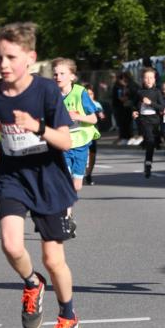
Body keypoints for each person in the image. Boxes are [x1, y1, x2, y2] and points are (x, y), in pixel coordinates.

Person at [0, 22, 81, 328]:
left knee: (53, 259)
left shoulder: (47, 91)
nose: (3, 64)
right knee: (11, 245)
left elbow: (65, 141)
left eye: (11, 57)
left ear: (30, 57)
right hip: (12, 177)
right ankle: (31, 283)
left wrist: (37, 126)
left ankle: (68, 317)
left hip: (48, 178)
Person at [51, 58, 100, 230]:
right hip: (62, 143)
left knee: (76, 185)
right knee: (64, 180)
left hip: (80, 143)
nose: (58, 77)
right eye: (55, 74)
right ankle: (65, 217)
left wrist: (77, 116)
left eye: (62, 73)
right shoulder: (52, 94)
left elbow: (94, 118)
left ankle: (68, 213)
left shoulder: (80, 93)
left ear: (72, 76)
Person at [133, 67, 164, 178]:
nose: (149, 80)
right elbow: (134, 104)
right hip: (144, 120)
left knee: (154, 140)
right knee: (150, 141)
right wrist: (135, 111)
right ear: (143, 79)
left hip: (155, 120)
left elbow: (161, 107)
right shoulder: (139, 92)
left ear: (155, 79)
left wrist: (150, 103)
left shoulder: (157, 92)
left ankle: (154, 143)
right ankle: (148, 164)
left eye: (151, 77)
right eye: (146, 77)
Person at [84, 85, 106, 185]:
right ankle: (80, 172)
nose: (89, 96)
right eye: (87, 94)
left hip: (93, 131)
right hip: (82, 132)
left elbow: (101, 113)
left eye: (91, 94)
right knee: (83, 152)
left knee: (92, 153)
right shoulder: (80, 103)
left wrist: (101, 115)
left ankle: (89, 174)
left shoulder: (96, 104)